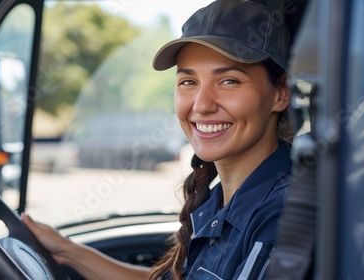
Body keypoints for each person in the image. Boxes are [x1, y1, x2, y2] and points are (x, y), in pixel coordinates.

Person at [21, 0, 293, 279]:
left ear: (281, 93)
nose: (201, 105)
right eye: (189, 82)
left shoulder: (284, 215)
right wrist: (68, 251)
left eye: (229, 81)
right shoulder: (219, 200)